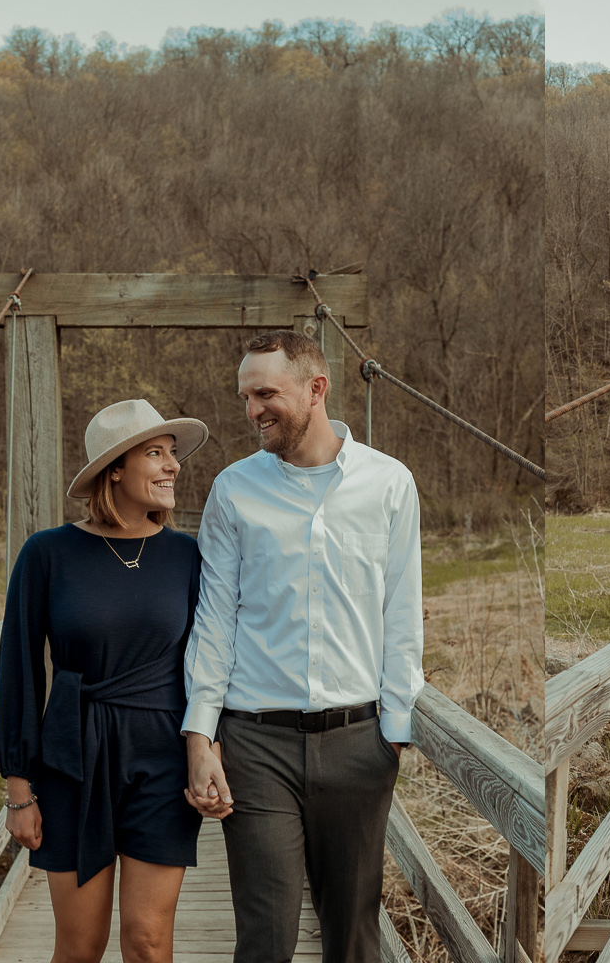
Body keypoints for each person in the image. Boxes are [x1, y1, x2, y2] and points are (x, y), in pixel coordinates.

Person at [182, 329, 423, 963]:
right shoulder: (234, 490)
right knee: (265, 939)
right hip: (256, 744)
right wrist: (200, 738)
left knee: (352, 937)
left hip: (358, 742)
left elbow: (403, 613)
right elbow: (215, 620)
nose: (251, 410)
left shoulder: (391, 485)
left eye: (266, 393)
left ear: (316, 389)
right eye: (244, 396)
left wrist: (394, 730)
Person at [0, 398, 209, 963]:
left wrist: (209, 748)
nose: (173, 466)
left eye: (173, 455)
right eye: (156, 454)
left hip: (162, 759)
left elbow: (211, 661)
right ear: (115, 467)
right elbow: (18, 666)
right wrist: (19, 789)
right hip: (72, 758)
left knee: (146, 940)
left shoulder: (189, 555)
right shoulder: (48, 553)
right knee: (80, 946)